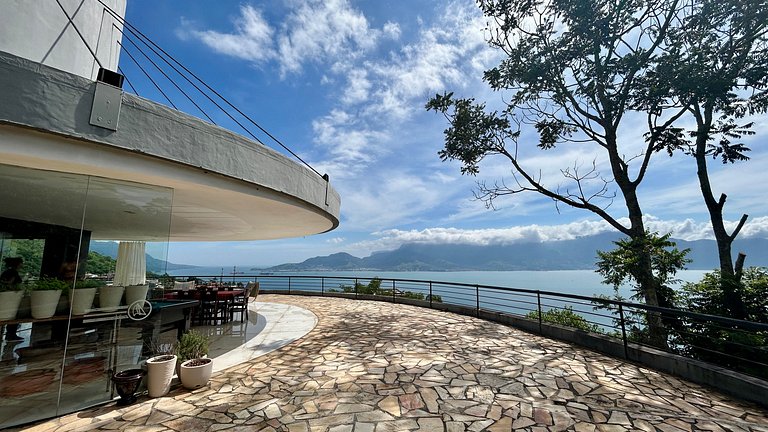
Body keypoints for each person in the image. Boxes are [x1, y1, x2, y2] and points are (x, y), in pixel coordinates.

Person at [1, 257, 24, 341]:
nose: (22, 264)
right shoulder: (13, 272)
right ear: (18, 264)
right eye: (21, 263)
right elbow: (10, 283)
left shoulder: (7, 271)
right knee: (14, 315)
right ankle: (11, 334)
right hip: (10, 297)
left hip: (6, 296)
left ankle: (10, 334)